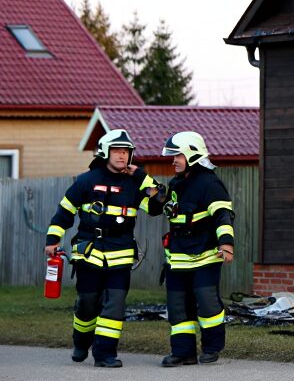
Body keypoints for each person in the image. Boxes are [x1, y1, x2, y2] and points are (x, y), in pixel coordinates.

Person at [44, 128, 162, 368]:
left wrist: (142, 176)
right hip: (90, 252)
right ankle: (81, 341)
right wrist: (52, 241)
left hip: (120, 254)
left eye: (126, 152)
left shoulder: (134, 184)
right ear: (104, 153)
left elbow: (157, 205)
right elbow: (64, 212)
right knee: (87, 303)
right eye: (117, 151)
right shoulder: (86, 181)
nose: (122, 156)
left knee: (115, 304)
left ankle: (105, 353)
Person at [159, 131, 235, 367]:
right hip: (178, 257)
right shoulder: (176, 184)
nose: (173, 160)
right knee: (177, 305)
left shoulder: (209, 183)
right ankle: (183, 352)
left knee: (207, 301)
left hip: (205, 255)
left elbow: (223, 215)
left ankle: (212, 348)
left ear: (191, 154)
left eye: (177, 156)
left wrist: (226, 243)